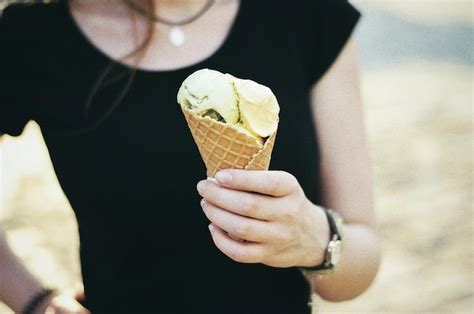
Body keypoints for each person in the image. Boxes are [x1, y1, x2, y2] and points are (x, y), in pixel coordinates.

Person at [0, 0, 381, 313]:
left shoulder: (307, 14)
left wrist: (315, 237)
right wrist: (34, 301)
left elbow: (360, 264)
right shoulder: (32, 39)